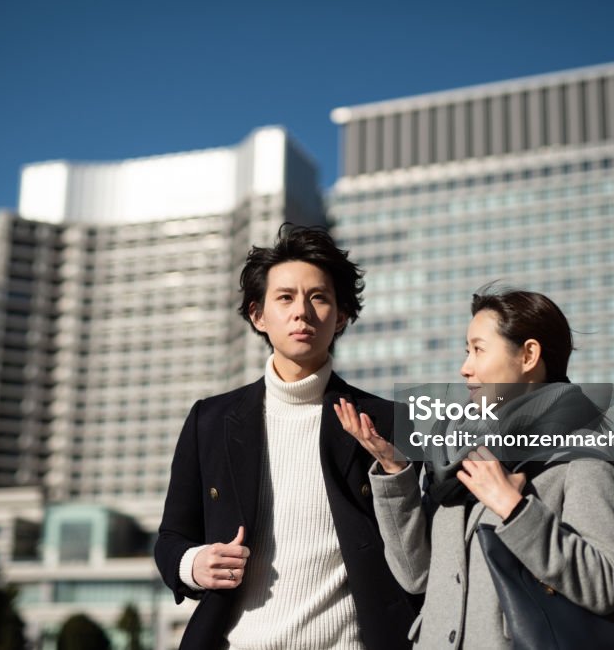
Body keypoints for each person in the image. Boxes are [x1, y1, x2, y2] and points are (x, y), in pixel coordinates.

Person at [155, 225, 420, 650]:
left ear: (342, 315)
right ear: (258, 314)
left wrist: (397, 471)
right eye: (285, 297)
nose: (302, 311)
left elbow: (417, 560)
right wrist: (194, 564)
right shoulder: (212, 419)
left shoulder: (389, 422)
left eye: (319, 297)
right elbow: (171, 539)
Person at [335, 286, 614, 648]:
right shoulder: (457, 456)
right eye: (467, 351)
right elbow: (417, 576)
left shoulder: (581, 456)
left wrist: (516, 509)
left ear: (528, 356)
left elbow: (605, 585)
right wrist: (395, 472)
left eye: (478, 349)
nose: (465, 368)